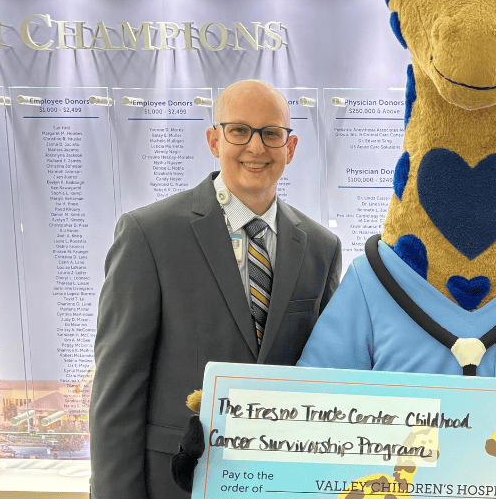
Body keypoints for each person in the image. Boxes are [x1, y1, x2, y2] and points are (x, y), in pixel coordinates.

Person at [89, 80, 342, 499]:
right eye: (239, 130)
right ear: (214, 139)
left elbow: (326, 374)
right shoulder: (149, 234)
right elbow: (117, 390)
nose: (256, 148)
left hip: (283, 482)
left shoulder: (320, 246)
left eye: (271, 134)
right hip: (175, 482)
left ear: (290, 148)